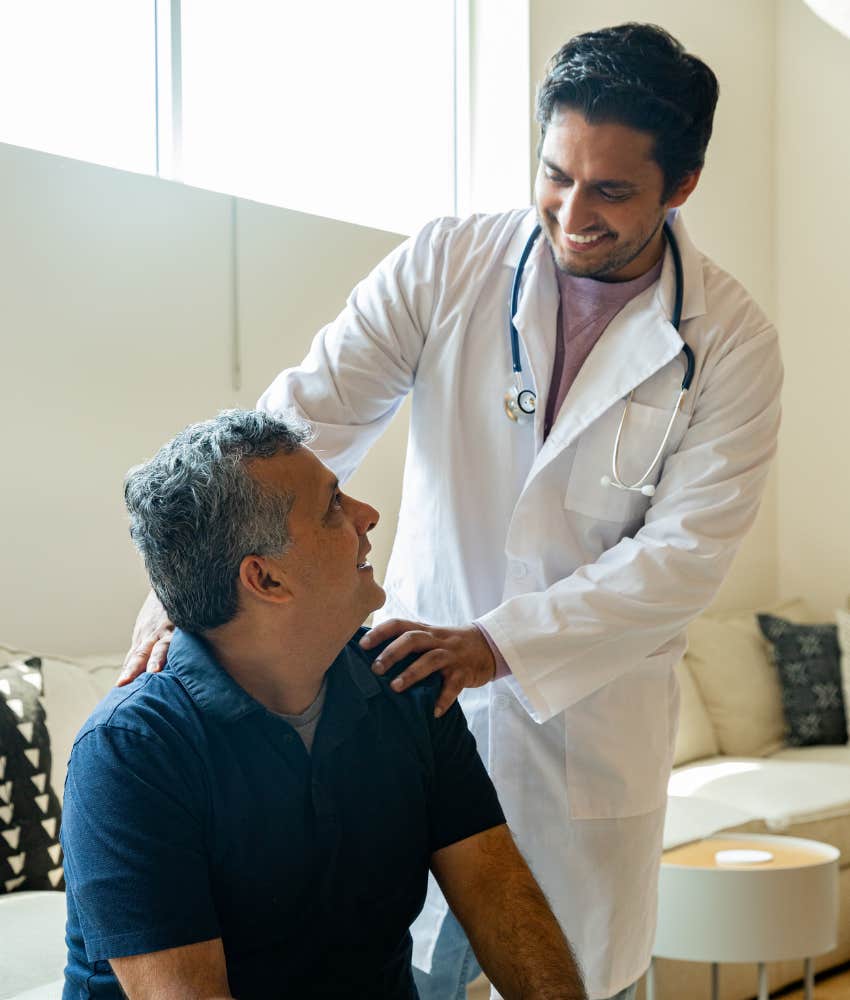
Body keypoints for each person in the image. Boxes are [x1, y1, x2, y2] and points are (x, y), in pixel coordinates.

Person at [122, 23, 783, 1000]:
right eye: (555, 174)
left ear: (678, 187)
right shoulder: (450, 264)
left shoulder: (729, 344)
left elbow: (682, 557)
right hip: (415, 716)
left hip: (582, 737)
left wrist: (497, 642)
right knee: (405, 972)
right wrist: (187, 575)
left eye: (610, 191)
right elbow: (304, 415)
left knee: (564, 978)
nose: (570, 212)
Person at [62, 410, 586, 1000]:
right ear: (265, 579)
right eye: (333, 505)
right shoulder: (130, 754)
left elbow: (497, 891)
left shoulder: (407, 684)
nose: (367, 516)